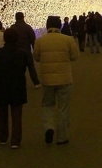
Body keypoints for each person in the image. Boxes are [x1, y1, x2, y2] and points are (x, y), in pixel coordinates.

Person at [0, 28, 41, 149]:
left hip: (1, 87)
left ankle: (2, 137)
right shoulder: (21, 54)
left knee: (2, 114)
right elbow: (23, 69)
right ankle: (15, 140)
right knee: (16, 115)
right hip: (17, 87)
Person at [33, 16, 80, 145]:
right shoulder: (68, 40)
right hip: (64, 79)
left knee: (47, 105)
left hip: (47, 80)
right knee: (63, 108)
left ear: (47, 26)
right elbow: (75, 56)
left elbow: (36, 57)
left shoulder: (40, 41)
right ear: (60, 26)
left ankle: (49, 127)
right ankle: (62, 137)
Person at [13, 12, 38, 77]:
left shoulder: (12, 28)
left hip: (16, 53)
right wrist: (35, 51)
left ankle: (20, 81)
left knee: (18, 71)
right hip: (27, 52)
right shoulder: (28, 27)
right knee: (31, 69)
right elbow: (33, 40)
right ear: (23, 18)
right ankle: (36, 81)